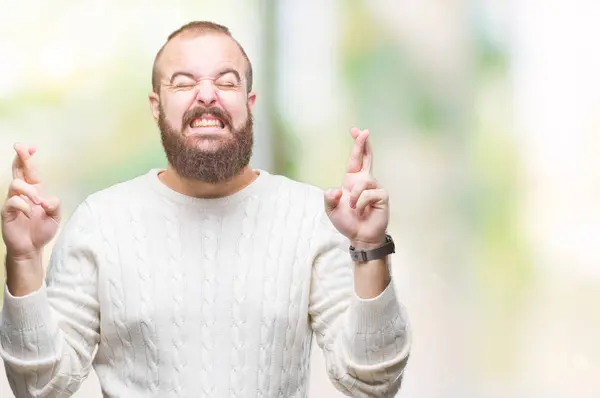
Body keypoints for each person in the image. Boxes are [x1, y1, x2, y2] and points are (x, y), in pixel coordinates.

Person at [0, 21, 410, 398]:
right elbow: (39, 387)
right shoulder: (101, 222)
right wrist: (23, 258)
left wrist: (368, 245)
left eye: (226, 82)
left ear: (248, 102)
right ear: (156, 105)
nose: (207, 94)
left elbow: (372, 382)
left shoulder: (308, 216)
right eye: (183, 83)